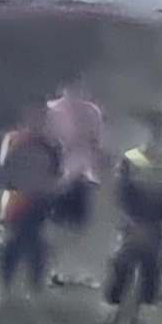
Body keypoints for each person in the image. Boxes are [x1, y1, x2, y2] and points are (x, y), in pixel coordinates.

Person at [96, 115, 162, 324]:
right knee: (118, 273)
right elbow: (119, 194)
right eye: (149, 132)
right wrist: (135, 223)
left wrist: (152, 224)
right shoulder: (130, 160)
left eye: (156, 133)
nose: (153, 137)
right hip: (131, 226)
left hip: (152, 227)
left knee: (150, 278)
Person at [0, 104, 66, 324]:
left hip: (35, 215)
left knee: (32, 274)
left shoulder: (50, 147)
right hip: (16, 212)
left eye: (42, 118)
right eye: (36, 117)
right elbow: (4, 175)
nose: (38, 122)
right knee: (7, 271)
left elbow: (55, 181)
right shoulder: (16, 141)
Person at [42, 77, 106, 270]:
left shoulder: (91, 112)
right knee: (54, 223)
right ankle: (53, 265)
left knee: (77, 225)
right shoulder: (51, 111)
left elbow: (95, 145)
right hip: (57, 176)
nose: (73, 92)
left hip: (81, 175)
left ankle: (66, 266)